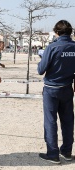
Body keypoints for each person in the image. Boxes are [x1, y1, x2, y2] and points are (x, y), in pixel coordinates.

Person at [37, 20, 75, 164]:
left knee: (50, 121)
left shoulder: (52, 47)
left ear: (57, 32)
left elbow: (41, 70)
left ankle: (53, 153)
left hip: (52, 90)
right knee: (68, 121)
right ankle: (66, 151)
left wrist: (42, 59)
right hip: (67, 88)